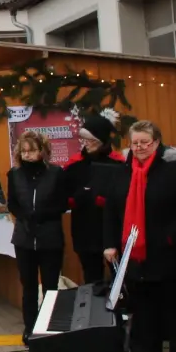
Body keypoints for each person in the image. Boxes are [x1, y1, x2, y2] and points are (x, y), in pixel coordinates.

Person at [104, 121, 176, 352]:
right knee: (145, 310)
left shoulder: (175, 170)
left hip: (169, 252)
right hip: (134, 255)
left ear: (157, 143)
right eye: (135, 143)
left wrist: (169, 238)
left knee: (175, 309)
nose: (140, 147)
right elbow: (112, 211)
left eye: (145, 142)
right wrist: (111, 243)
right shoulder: (122, 173)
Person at [7, 131, 67, 339]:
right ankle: (30, 328)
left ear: (42, 151)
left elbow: (62, 203)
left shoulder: (56, 173)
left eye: (32, 151)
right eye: (24, 151)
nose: (27, 155)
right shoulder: (14, 175)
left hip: (49, 236)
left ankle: (50, 326)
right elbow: (12, 202)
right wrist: (24, 216)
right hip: (24, 237)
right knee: (29, 286)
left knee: (51, 285)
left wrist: (43, 215)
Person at [63, 114, 123, 284]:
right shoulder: (74, 165)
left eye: (91, 140)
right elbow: (64, 197)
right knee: (91, 277)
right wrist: (78, 198)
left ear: (102, 140)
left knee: (118, 277)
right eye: (85, 140)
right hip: (85, 230)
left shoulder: (118, 164)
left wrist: (107, 201)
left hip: (111, 231)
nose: (86, 143)